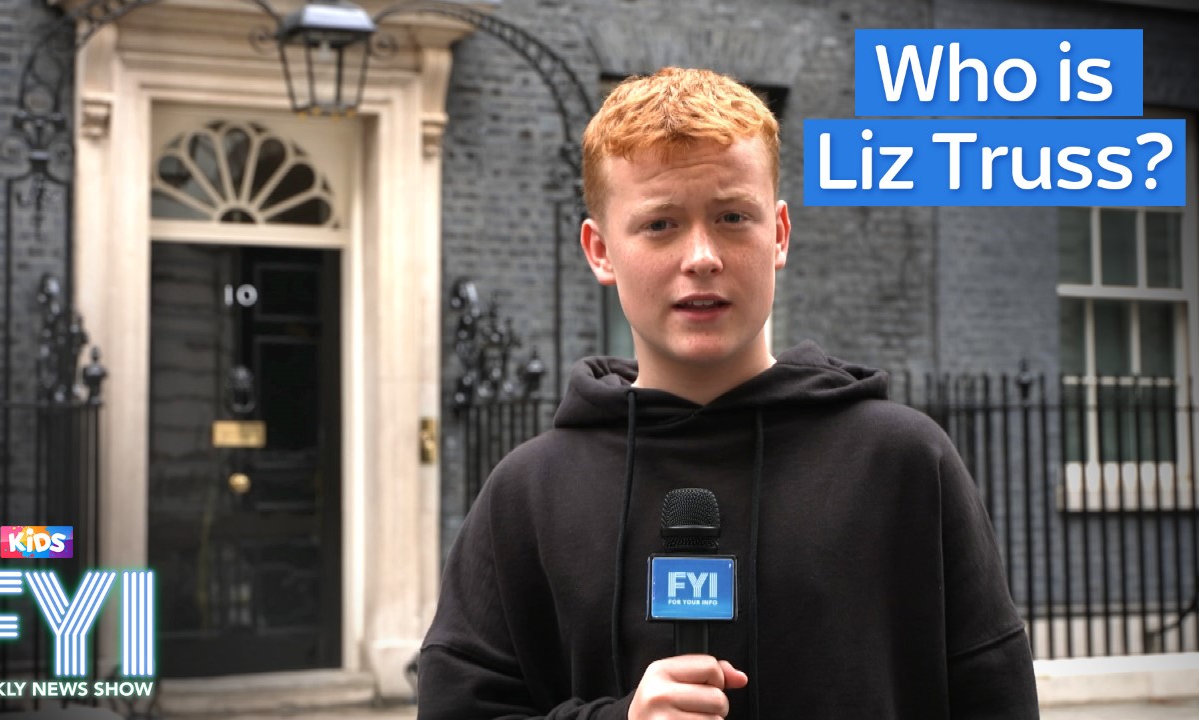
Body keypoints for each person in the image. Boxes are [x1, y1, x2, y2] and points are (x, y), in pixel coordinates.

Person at [418, 67, 1039, 719]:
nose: (702, 256)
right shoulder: (527, 494)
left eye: (732, 217)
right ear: (600, 250)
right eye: (660, 224)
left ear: (780, 234)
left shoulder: (904, 463)